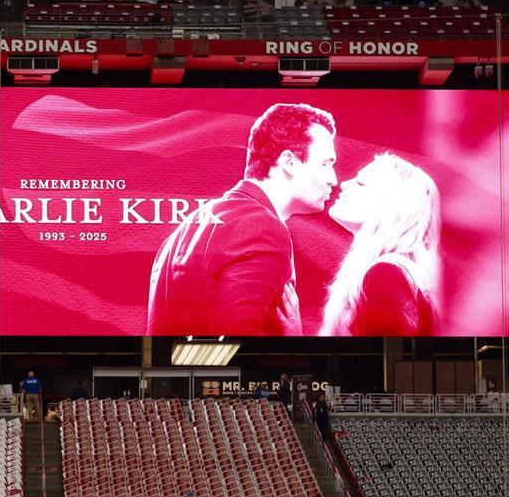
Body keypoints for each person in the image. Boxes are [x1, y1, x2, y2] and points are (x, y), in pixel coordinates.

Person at [147, 103, 338, 336]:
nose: (333, 179)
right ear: (289, 162)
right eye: (326, 164)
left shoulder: (186, 227)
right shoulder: (263, 228)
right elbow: (237, 351)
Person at [319, 152, 441, 336]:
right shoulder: (391, 273)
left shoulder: (387, 275)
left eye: (361, 183)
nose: (343, 184)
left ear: (391, 204)